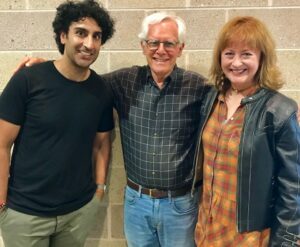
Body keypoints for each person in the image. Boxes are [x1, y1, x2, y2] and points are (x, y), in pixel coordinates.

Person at [16, 12, 207, 247]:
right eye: (153, 42)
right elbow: (78, 78)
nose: (160, 50)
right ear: (143, 46)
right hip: (137, 204)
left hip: (180, 205)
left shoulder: (199, 87)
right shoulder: (124, 81)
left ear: (180, 48)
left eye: (169, 43)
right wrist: (46, 67)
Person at [0, 0, 115, 246]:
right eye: (81, 33)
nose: (89, 44)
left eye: (97, 36)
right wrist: (1, 202)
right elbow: (1, 144)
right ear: (63, 35)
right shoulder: (28, 80)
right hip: (25, 214)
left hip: (78, 212)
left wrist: (99, 189)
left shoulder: (102, 90)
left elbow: (102, 143)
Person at [194, 16, 300, 247]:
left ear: (262, 58)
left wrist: (286, 240)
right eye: (229, 53)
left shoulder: (279, 110)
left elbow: (293, 186)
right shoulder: (211, 99)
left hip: (248, 235)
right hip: (207, 227)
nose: (236, 62)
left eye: (247, 54)